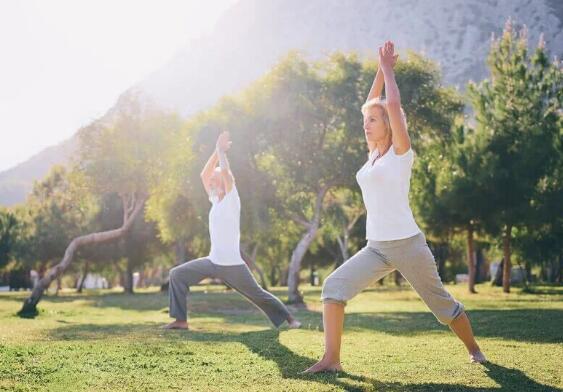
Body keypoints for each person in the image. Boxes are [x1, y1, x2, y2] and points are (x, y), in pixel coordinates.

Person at [305, 41, 486, 373]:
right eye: (367, 120)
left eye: (374, 119)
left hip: (407, 245)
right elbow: (368, 105)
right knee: (333, 287)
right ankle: (331, 359)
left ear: (389, 123)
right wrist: (377, 69)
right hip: (376, 247)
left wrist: (389, 70)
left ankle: (474, 349)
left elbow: (393, 103)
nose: (367, 123)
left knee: (443, 308)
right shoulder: (372, 155)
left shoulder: (400, 154)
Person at [162, 131, 301, 330]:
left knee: (258, 294)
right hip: (213, 261)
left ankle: (289, 319)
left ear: (224, 182)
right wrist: (215, 151)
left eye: (215, 179)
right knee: (177, 274)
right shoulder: (215, 201)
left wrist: (222, 154)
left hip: (232, 264)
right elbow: (204, 174)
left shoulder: (231, 199)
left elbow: (226, 174)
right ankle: (180, 321)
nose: (211, 180)